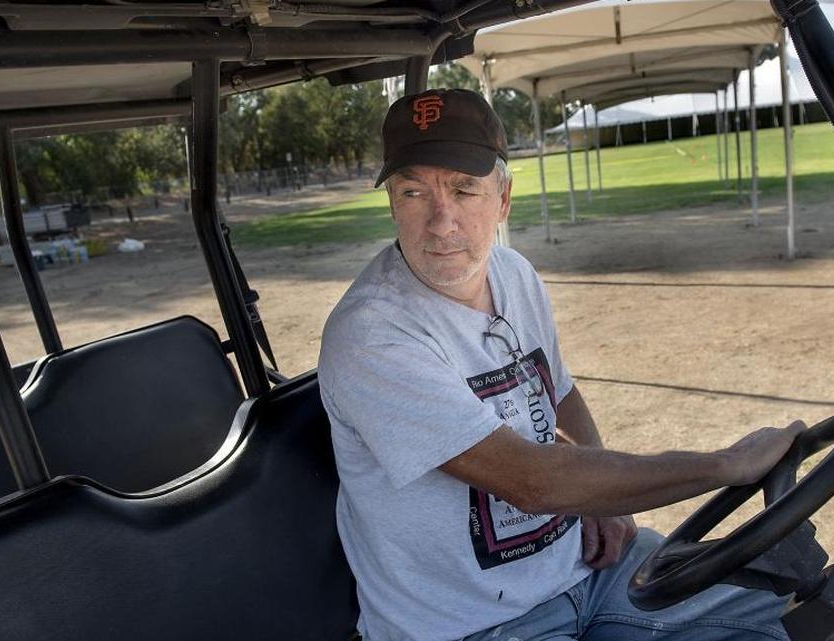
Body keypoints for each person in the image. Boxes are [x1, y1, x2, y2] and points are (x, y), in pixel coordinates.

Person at [318, 88, 806, 641]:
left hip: (585, 568)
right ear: (392, 204)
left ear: (503, 200)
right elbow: (528, 480)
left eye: (464, 189)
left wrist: (602, 503)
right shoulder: (373, 334)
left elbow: (560, 393)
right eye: (413, 192)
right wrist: (724, 466)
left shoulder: (513, 273)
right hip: (476, 625)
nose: (440, 221)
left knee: (786, 613)